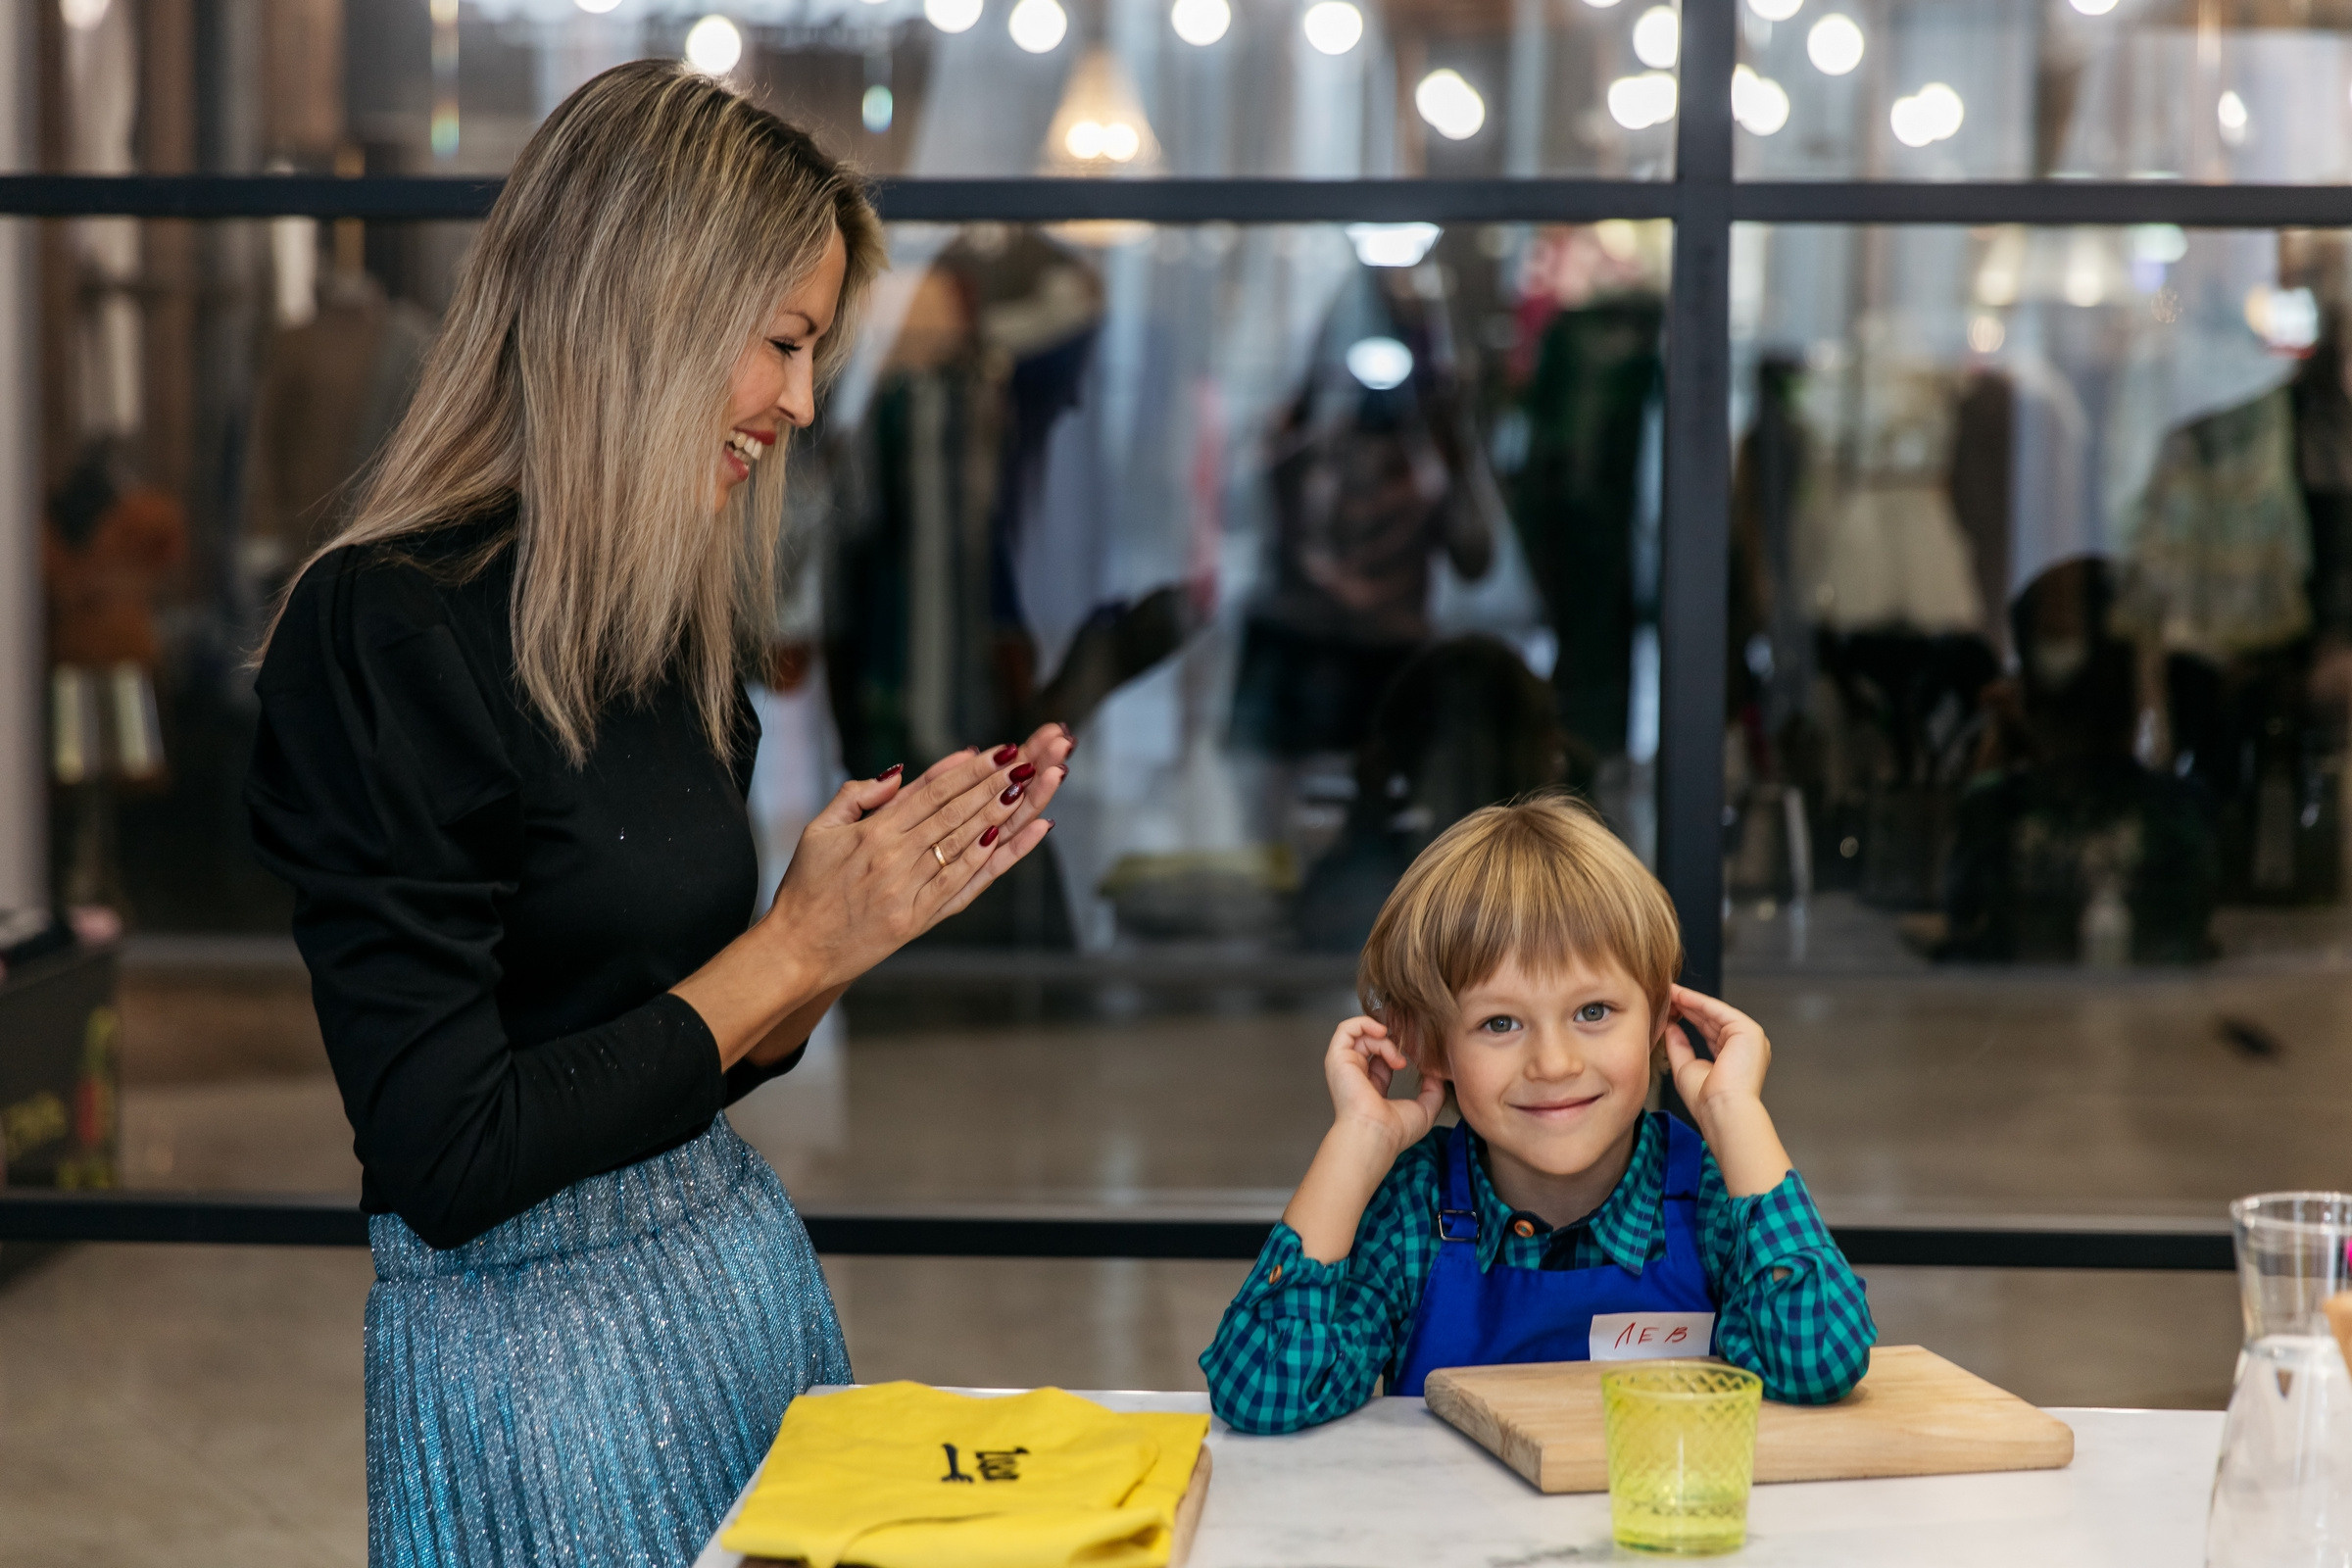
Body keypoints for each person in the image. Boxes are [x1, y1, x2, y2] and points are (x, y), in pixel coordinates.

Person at [243, 62, 1075, 1567]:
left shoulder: (671, 631)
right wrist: (791, 947)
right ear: (649, 306)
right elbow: (451, 1156)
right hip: (530, 1370)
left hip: (734, 1286)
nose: (804, 404)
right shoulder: (386, 631)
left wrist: (847, 925)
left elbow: (672, 1053)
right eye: (782, 342)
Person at [1200, 796, 1874, 1433]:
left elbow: (1817, 1362)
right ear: (1432, 1046)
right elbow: (1262, 1389)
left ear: (1660, 1017)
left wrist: (1735, 1114)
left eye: (1593, 1012)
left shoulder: (1715, 1198)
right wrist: (1358, 1139)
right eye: (1500, 1023)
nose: (1553, 1063)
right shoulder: (1413, 1211)